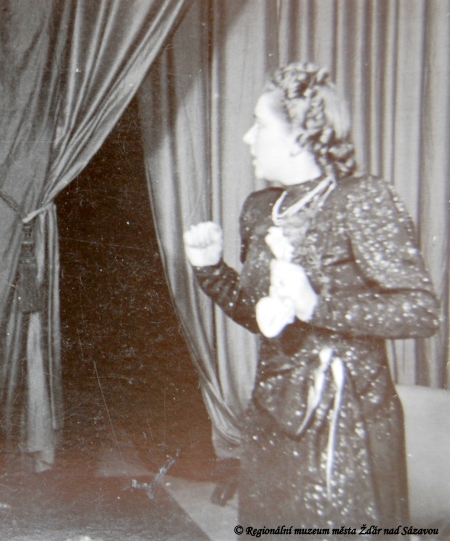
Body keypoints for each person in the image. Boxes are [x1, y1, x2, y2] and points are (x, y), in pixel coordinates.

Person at [184, 62, 439, 525]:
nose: (247, 137)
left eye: (260, 125)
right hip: (271, 417)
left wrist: (317, 306)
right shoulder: (259, 208)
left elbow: (421, 311)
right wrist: (211, 270)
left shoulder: (360, 198)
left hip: (346, 424)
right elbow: (263, 317)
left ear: (299, 136)